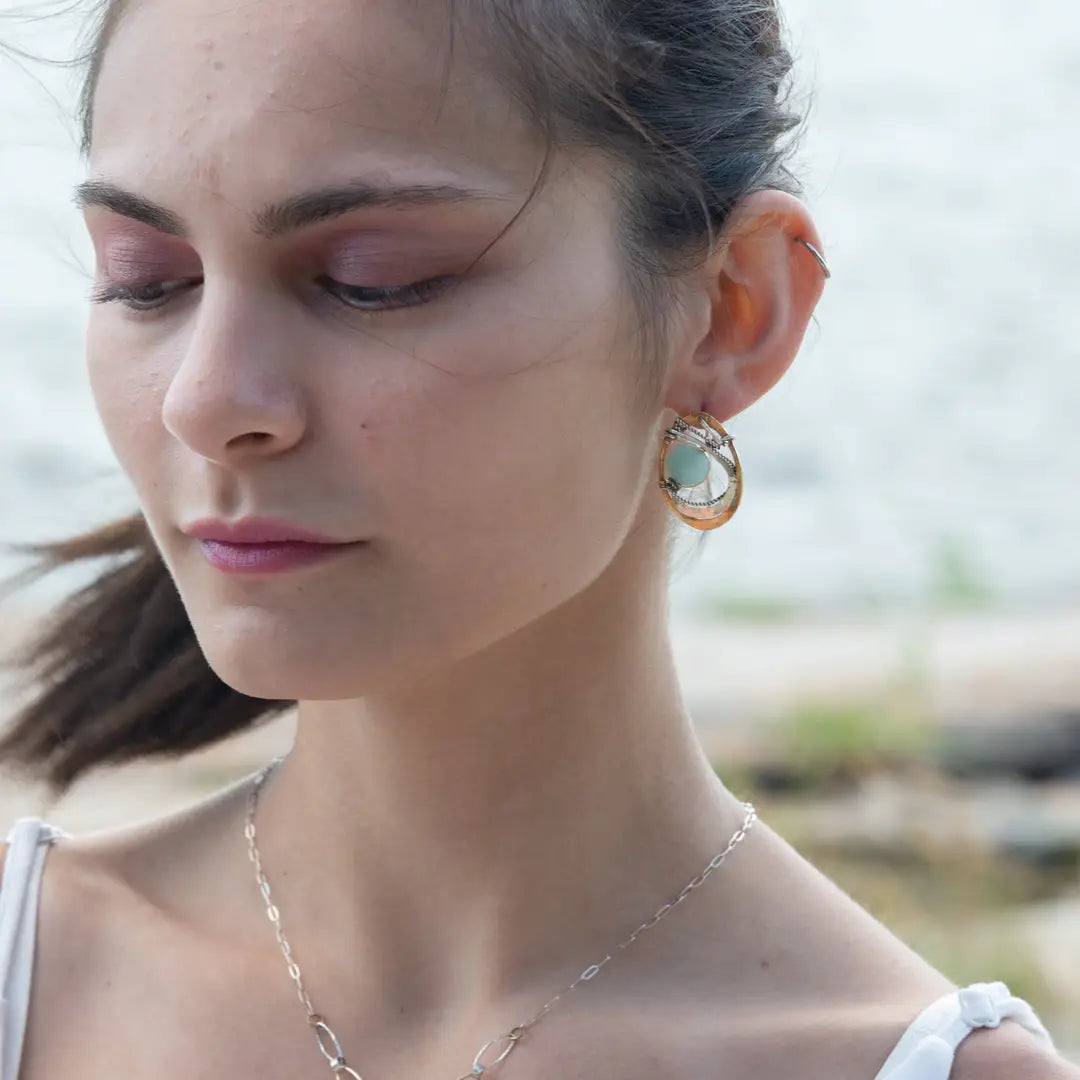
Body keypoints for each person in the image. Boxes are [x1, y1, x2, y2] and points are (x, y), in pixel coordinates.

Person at [0, 1, 1075, 1078]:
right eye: (148, 278)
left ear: (733, 309)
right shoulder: (28, 972)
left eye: (373, 277)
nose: (206, 398)